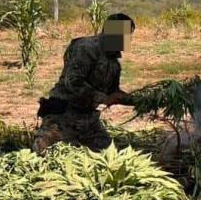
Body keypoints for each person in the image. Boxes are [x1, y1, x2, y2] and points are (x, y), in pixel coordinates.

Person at [34, 13, 136, 152]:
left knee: (110, 156)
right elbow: (73, 82)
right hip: (62, 116)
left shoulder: (113, 64)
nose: (127, 40)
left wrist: (142, 100)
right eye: (124, 35)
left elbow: (114, 93)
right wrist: (103, 98)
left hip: (87, 120)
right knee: (46, 156)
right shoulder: (86, 48)